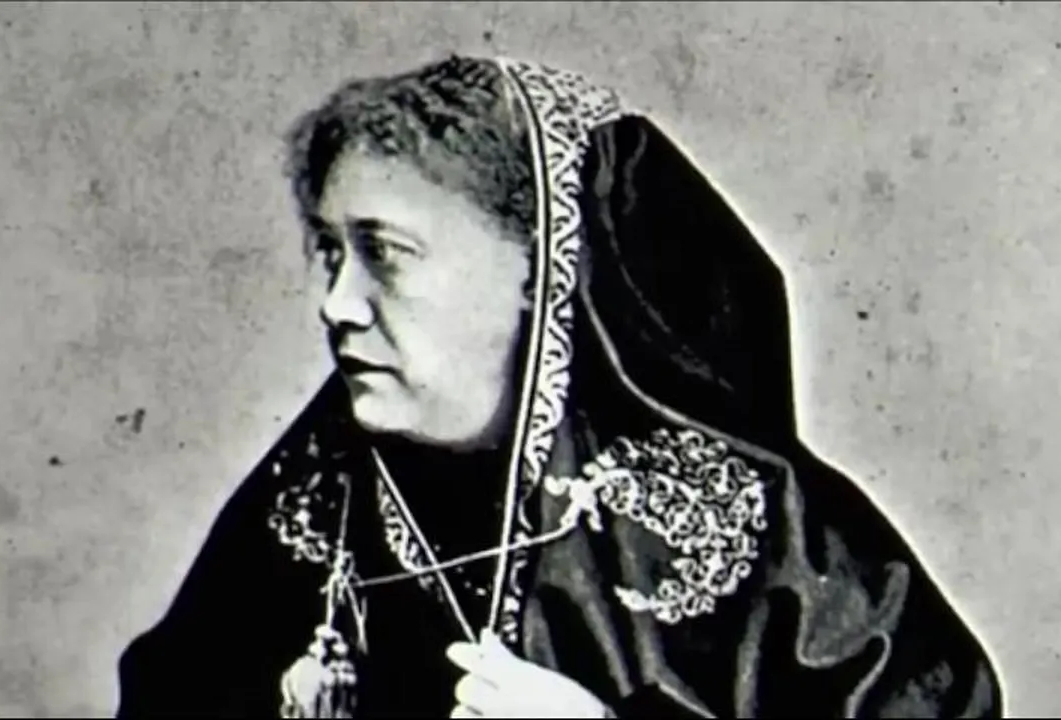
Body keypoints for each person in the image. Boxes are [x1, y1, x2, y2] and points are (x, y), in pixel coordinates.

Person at [115, 54, 1004, 718]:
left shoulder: (771, 540)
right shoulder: (305, 514)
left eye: (385, 252)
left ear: (545, 274)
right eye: (330, 251)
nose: (337, 304)